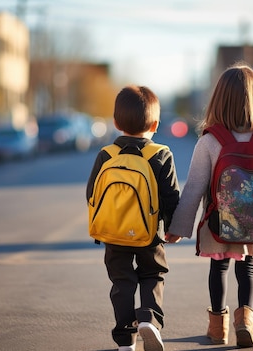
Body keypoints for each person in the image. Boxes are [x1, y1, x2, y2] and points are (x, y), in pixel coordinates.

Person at [165, 63, 253, 348]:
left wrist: (178, 228)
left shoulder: (211, 141)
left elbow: (194, 188)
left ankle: (217, 329)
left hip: (219, 225)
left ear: (218, 100)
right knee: (247, 271)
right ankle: (245, 321)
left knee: (219, 269)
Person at [87, 85, 181, 351]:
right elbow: (171, 196)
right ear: (155, 124)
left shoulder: (106, 155)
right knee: (153, 273)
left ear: (116, 123)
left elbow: (91, 193)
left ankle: (125, 340)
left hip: (113, 234)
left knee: (122, 281)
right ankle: (149, 319)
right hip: (149, 233)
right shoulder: (161, 154)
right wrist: (173, 228)